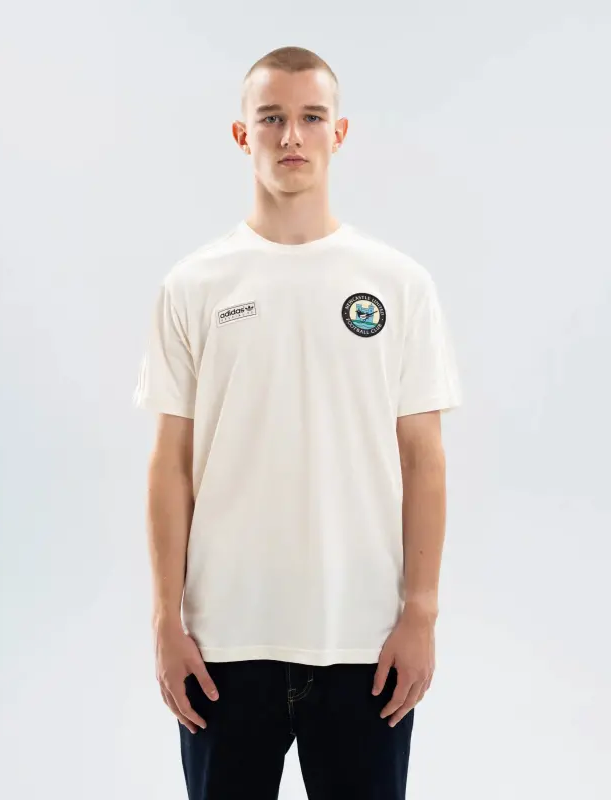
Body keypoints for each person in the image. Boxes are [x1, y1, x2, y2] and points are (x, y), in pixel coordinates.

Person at [133, 45, 462, 800]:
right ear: (241, 134)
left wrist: (420, 613)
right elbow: (170, 465)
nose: (291, 136)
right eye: (271, 118)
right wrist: (165, 621)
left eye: (311, 118)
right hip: (222, 646)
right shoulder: (194, 284)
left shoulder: (398, 284)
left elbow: (424, 458)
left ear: (338, 133)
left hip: (364, 644)